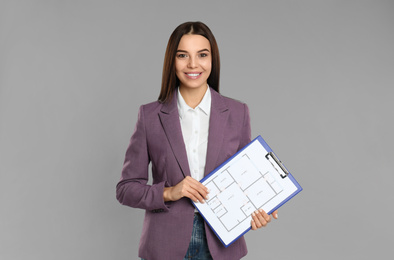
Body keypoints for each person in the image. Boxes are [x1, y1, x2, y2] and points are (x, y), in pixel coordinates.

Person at [116, 21, 278, 260]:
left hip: (223, 245)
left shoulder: (238, 112)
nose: (193, 64)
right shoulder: (149, 116)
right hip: (163, 245)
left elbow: (247, 182)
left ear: (212, 60)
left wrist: (257, 211)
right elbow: (125, 189)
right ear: (172, 61)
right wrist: (170, 192)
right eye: (183, 55)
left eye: (202, 54)